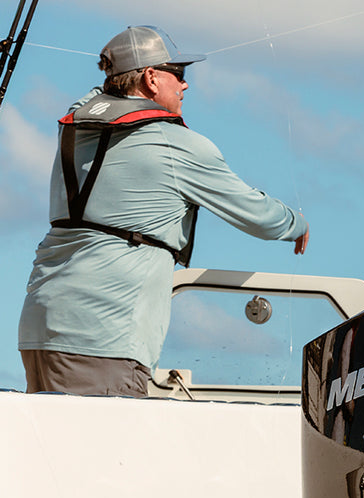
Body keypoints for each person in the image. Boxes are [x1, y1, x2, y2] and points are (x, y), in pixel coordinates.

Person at [18, 25, 309, 397]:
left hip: (38, 330)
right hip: (104, 339)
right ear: (151, 78)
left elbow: (94, 98)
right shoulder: (175, 145)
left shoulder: (74, 126)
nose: (185, 85)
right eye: (179, 74)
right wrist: (296, 223)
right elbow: (258, 215)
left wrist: (116, 75)